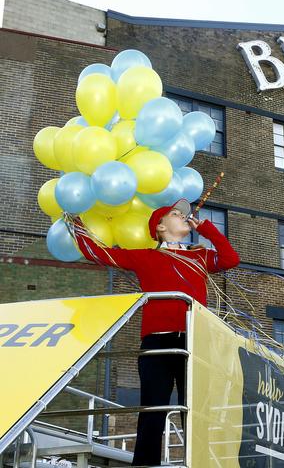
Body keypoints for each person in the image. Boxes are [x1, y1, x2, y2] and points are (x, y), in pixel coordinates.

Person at [73, 198, 239, 466]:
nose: (184, 216)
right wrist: (75, 223)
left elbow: (231, 259)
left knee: (196, 409)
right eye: (176, 213)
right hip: (156, 343)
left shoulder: (199, 256)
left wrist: (207, 229)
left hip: (195, 341)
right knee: (152, 409)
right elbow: (99, 253)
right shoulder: (146, 256)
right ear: (160, 227)